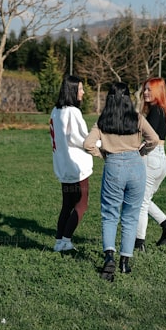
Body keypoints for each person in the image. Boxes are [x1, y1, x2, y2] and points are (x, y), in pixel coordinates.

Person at [84, 82, 159, 281]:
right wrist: (142, 151)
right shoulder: (137, 118)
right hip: (136, 166)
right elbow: (154, 138)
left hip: (113, 167)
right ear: (127, 98)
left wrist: (101, 154)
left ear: (109, 98)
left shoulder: (103, 121)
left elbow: (87, 144)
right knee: (131, 215)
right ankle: (125, 262)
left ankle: (109, 255)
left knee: (109, 214)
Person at [134, 77, 166, 251]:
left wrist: (136, 152)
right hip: (161, 160)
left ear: (158, 91)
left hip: (151, 158)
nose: (145, 92)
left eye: (149, 89)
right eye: (144, 89)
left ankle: (139, 244)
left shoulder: (155, 111)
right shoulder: (163, 110)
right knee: (145, 199)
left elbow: (149, 139)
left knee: (141, 203)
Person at [49, 75, 93, 253]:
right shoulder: (73, 112)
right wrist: (100, 145)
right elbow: (82, 138)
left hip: (62, 165)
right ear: (72, 90)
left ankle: (59, 241)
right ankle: (66, 241)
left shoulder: (55, 110)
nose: (82, 92)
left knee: (67, 204)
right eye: (80, 88)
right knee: (82, 204)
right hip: (77, 166)